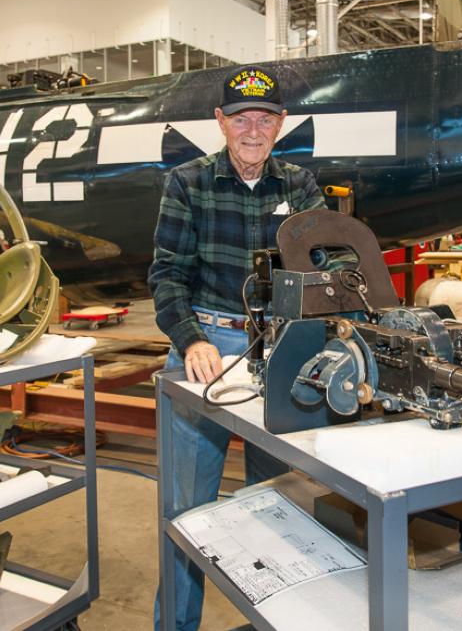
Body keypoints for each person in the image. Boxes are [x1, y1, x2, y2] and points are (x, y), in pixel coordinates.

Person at [149, 65, 325, 630]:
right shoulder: (188, 182)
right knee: (187, 513)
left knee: (279, 508)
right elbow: (168, 275)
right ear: (221, 121)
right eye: (242, 117)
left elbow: (327, 260)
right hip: (209, 345)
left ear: (282, 123)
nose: (254, 129)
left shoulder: (298, 185)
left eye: (266, 118)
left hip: (278, 348)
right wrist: (192, 339)